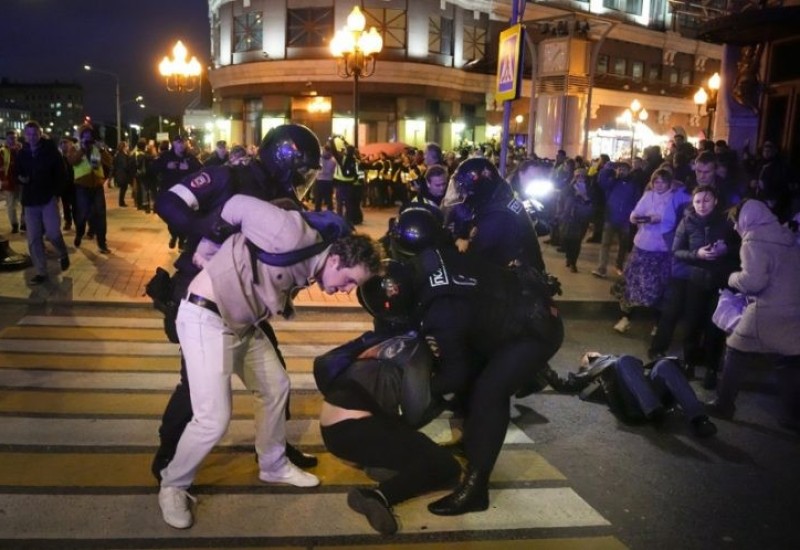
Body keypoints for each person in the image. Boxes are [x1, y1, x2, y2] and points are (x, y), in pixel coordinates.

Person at [157, 195, 382, 529]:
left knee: (275, 386)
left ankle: (273, 465)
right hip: (207, 317)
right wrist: (205, 246)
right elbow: (234, 204)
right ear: (335, 260)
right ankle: (173, 484)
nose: (347, 290)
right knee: (213, 418)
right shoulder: (290, 234)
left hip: (242, 324)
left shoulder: (314, 261)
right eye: (349, 280)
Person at [151, 124, 323, 481]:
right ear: (282, 159)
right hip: (200, 288)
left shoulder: (281, 192)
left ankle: (274, 447)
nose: (303, 181)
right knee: (195, 382)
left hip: (246, 296)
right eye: (301, 172)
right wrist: (206, 229)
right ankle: (168, 450)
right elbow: (168, 201)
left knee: (274, 375)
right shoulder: (227, 176)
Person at [360, 245, 563, 516]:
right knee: (474, 377)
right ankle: (472, 442)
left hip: (534, 329)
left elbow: (454, 377)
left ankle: (476, 489)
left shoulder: (440, 314)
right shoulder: (423, 262)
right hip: (513, 305)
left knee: (488, 393)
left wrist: (419, 392)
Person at [314, 322, 459, 535]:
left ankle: (379, 464)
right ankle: (376, 496)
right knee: (446, 465)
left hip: (336, 430)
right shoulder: (417, 355)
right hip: (356, 430)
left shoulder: (392, 343)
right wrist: (445, 397)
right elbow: (414, 414)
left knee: (418, 448)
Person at [708, 200, 800, 430]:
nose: (735, 227)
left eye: (735, 222)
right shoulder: (785, 236)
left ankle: (724, 405)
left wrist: (732, 278)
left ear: (745, 219)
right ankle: (792, 416)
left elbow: (754, 282)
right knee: (787, 362)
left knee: (735, 353)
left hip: (765, 310)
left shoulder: (754, 240)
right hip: (791, 308)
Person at [655, 186, 739, 387]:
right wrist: (697, 255)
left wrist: (726, 249)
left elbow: (740, 247)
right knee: (692, 323)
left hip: (719, 281)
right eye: (698, 201)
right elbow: (676, 250)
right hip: (695, 280)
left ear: (715, 201)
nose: (702, 205)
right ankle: (689, 363)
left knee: (715, 327)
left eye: (706, 200)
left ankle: (711, 368)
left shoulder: (727, 223)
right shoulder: (687, 221)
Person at [563, 352, 717, 437]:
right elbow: (575, 384)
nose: (591, 355)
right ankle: (654, 410)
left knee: (664, 364)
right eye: (588, 357)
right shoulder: (597, 370)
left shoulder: (614, 360)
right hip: (632, 402)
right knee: (624, 360)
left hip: (644, 389)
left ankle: (699, 419)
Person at [444, 157, 546, 272]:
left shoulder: (497, 215)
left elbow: (474, 254)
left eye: (466, 190)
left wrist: (458, 241)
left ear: (480, 188)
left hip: (520, 283)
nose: (464, 195)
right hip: (520, 274)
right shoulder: (500, 198)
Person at [611, 169, 675, 333]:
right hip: (642, 245)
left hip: (661, 249)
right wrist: (634, 217)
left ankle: (658, 323)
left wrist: (660, 220)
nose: (659, 185)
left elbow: (674, 220)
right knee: (631, 282)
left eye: (662, 182)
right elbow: (637, 211)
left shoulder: (674, 198)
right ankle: (625, 317)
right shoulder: (648, 196)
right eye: (656, 182)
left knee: (659, 286)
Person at [14, 121, 70, 284]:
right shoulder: (22, 153)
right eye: (29, 134)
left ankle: (63, 252)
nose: (31, 137)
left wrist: (56, 194)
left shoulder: (51, 151)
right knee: (34, 238)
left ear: (40, 134)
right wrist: (21, 178)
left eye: (35, 134)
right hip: (30, 201)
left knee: (53, 233)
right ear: (25, 135)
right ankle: (41, 272)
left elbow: (62, 174)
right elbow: (18, 172)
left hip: (47, 199)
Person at [67, 124, 112, 254]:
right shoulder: (74, 148)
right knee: (83, 215)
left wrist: (102, 150)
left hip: (97, 186)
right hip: (82, 186)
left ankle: (102, 243)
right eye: (85, 135)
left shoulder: (96, 148)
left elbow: (109, 161)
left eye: (90, 135)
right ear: (80, 137)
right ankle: (80, 233)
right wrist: (82, 148)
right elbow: (71, 161)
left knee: (101, 214)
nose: (88, 137)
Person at [151, 135, 202, 249]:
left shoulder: (189, 158)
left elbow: (200, 169)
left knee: (182, 217)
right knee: (171, 219)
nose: (181, 145)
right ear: (173, 143)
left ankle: (181, 240)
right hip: (169, 193)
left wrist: (188, 167)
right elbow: (153, 169)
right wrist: (166, 165)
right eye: (178, 142)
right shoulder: (165, 156)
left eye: (183, 142)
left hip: (184, 194)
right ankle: (174, 235)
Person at [591, 161, 640, 278]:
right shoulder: (612, 182)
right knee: (605, 244)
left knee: (623, 245)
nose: (622, 171)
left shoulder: (633, 185)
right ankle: (602, 268)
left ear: (629, 171)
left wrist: (632, 214)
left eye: (624, 169)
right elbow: (601, 182)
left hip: (625, 220)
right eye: (620, 169)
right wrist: (608, 170)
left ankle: (619, 265)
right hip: (610, 217)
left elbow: (637, 200)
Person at [559, 168, 593, 273]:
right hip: (568, 217)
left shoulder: (590, 188)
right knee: (567, 239)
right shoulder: (569, 187)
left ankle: (573, 262)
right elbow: (562, 200)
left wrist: (583, 195)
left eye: (582, 175)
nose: (580, 178)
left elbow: (592, 203)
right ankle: (569, 257)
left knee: (577, 241)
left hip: (581, 218)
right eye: (578, 175)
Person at [0, 130, 22, 233]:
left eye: (15, 138)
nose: (13, 140)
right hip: (9, 181)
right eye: (11, 138)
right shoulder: (3, 151)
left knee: (25, 203)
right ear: (7, 139)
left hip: (21, 181)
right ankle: (14, 224)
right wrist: (3, 179)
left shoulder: (21, 149)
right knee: (11, 205)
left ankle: (24, 223)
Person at [57, 138, 76, 229]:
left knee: (76, 205)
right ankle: (68, 221)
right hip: (64, 185)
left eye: (66, 142)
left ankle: (78, 221)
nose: (64, 145)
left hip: (74, 184)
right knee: (65, 205)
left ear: (70, 144)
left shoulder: (75, 156)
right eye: (62, 143)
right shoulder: (59, 157)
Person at [314, 144, 336, 212]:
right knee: (329, 198)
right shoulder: (333, 160)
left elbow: (317, 168)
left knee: (318, 198)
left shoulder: (319, 159)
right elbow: (333, 171)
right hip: (329, 181)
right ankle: (330, 212)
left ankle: (317, 212)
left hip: (320, 180)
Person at [112, 141, 135, 207]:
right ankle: (121, 202)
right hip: (123, 174)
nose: (128, 147)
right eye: (126, 146)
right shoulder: (122, 155)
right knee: (123, 188)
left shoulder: (119, 154)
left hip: (120, 174)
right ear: (123, 147)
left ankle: (121, 202)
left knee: (123, 188)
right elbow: (125, 165)